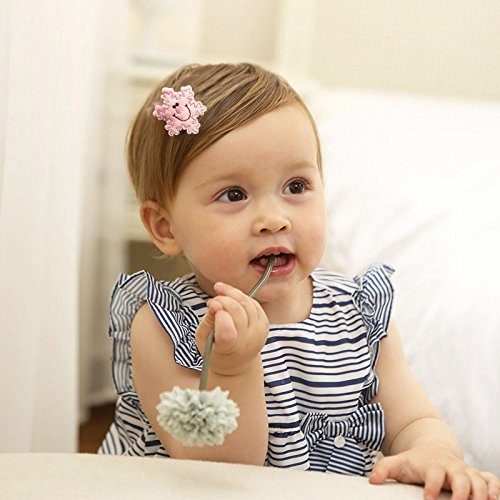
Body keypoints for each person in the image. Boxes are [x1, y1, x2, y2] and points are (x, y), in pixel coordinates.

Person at [98, 62, 499, 499]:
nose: (274, 219)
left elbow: (412, 420)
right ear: (165, 228)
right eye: (234, 194)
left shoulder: (358, 313)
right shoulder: (166, 325)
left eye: (296, 186)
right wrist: (232, 368)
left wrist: (433, 451)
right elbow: (219, 473)